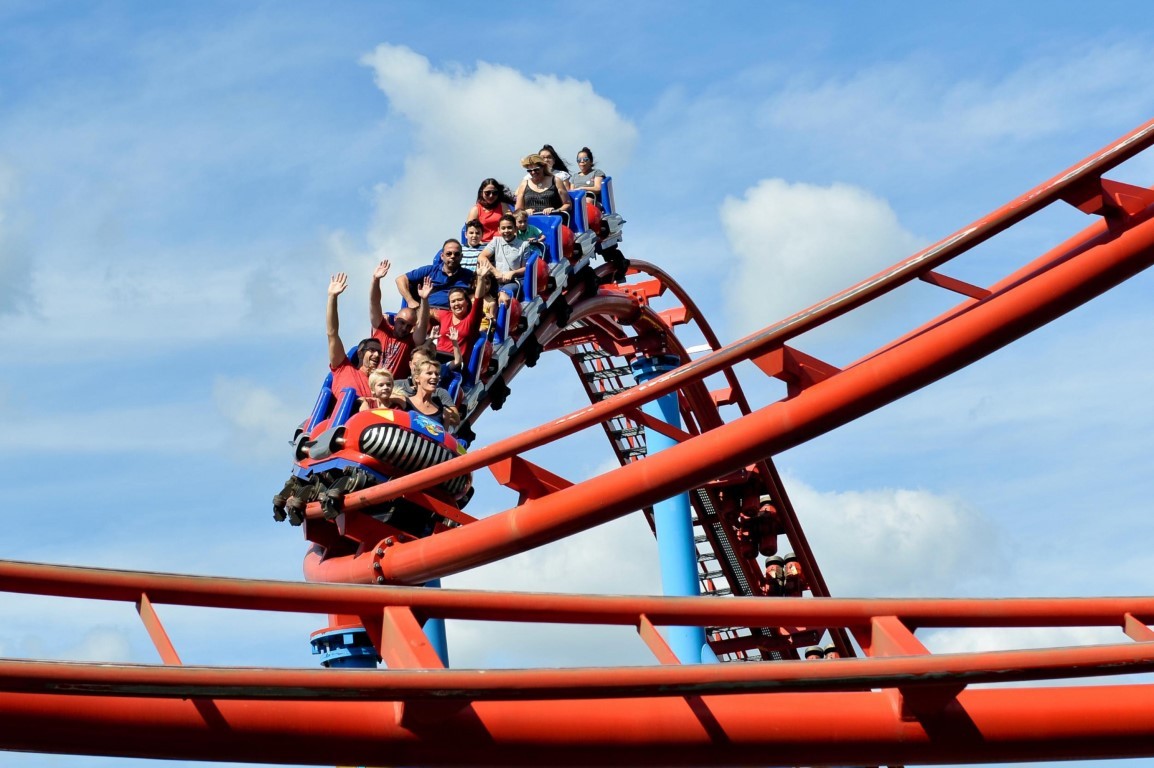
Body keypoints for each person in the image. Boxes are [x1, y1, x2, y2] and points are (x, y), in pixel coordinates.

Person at [415, 266, 489, 363]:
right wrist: (424, 299)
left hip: (456, 363)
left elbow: (478, 299)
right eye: (453, 301)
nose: (457, 304)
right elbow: (427, 313)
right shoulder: (445, 315)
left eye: (460, 300)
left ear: (467, 302)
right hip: (436, 360)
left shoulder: (471, 320)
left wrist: (481, 278)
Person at [326, 272, 380, 399]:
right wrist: (332, 297)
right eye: (372, 350)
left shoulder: (379, 384)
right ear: (360, 353)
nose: (377, 355)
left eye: (379, 352)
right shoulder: (343, 367)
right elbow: (332, 333)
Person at [368, 259, 417, 379]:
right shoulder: (382, 328)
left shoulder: (410, 341)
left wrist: (424, 301)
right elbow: (375, 303)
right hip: (370, 380)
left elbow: (421, 328)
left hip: (391, 388)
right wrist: (376, 280)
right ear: (395, 319)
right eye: (402, 323)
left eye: (409, 326)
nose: (404, 328)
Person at [395, 239, 476, 310]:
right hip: (427, 312)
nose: (452, 256)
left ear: (461, 256)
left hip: (454, 315)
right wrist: (410, 301)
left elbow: (481, 293)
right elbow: (400, 279)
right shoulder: (429, 270)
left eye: (456, 254)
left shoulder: (469, 276)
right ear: (442, 256)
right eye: (448, 253)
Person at [479, 214, 532, 305]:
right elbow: (482, 257)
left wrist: (512, 273)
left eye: (509, 227)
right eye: (503, 228)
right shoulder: (496, 241)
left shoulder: (524, 245)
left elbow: (525, 268)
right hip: (496, 280)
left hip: (514, 281)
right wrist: (496, 272)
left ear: (515, 229)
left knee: (505, 294)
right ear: (499, 230)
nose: (506, 231)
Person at [405, 359, 461, 432]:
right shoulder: (404, 402)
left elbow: (442, 441)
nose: (434, 377)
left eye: (437, 374)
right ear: (417, 378)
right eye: (429, 373)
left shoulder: (444, 414)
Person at [516, 154, 571, 218]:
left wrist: (555, 210)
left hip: (552, 220)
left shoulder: (556, 181)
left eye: (536, 169)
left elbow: (568, 204)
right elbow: (518, 209)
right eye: (530, 170)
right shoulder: (524, 184)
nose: (533, 172)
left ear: (543, 167)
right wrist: (525, 211)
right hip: (531, 223)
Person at [466, 178, 514, 243]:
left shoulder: (503, 206)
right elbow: (469, 229)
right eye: (487, 193)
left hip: (502, 243)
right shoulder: (476, 209)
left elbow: (511, 222)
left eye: (494, 193)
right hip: (482, 244)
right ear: (481, 192)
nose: (491, 196)